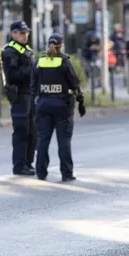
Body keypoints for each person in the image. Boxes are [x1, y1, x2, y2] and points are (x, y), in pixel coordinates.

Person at [31, 34, 86, 182]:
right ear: (61, 45)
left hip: (43, 105)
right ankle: (66, 173)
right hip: (63, 105)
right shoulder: (64, 61)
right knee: (64, 141)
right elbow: (75, 83)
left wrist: (34, 105)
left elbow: (33, 85)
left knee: (43, 140)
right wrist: (81, 102)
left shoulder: (39, 61)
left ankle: (41, 172)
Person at [1, 21, 37, 176]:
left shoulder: (25, 49)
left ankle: (28, 163)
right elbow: (12, 75)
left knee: (32, 131)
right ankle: (19, 165)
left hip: (30, 93)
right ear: (13, 34)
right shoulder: (10, 51)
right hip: (19, 95)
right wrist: (32, 69)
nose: (25, 36)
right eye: (22, 33)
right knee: (22, 131)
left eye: (26, 33)